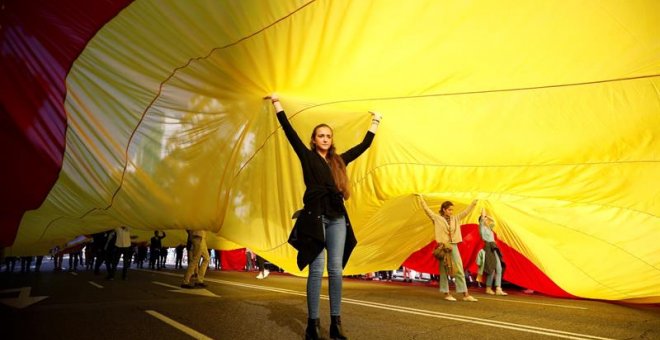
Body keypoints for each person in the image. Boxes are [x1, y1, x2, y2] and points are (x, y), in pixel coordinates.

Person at [267, 93, 381, 340]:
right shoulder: (307, 157)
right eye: (321, 136)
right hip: (315, 218)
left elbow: (364, 146)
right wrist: (277, 104)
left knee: (336, 270)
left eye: (328, 136)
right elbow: (288, 131)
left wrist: (375, 122)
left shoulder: (339, 161)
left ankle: (336, 326)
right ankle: (313, 326)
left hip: (337, 218)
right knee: (316, 270)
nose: (325, 139)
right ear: (313, 139)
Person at [418, 195, 478, 302]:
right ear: (444, 210)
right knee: (444, 270)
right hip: (443, 246)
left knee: (459, 269)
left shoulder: (455, 218)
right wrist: (421, 199)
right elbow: (426, 210)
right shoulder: (437, 218)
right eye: (449, 210)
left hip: (453, 245)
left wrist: (473, 203)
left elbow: (466, 212)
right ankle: (447, 294)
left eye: (452, 210)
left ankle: (466, 294)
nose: (451, 212)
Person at [479, 208, 507, 296]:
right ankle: (488, 288)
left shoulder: (489, 228)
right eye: (485, 220)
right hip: (488, 248)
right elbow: (482, 220)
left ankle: (498, 288)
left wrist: (489, 217)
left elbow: (494, 222)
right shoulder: (481, 228)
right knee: (491, 268)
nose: (487, 221)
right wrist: (483, 215)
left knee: (499, 267)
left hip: (494, 248)